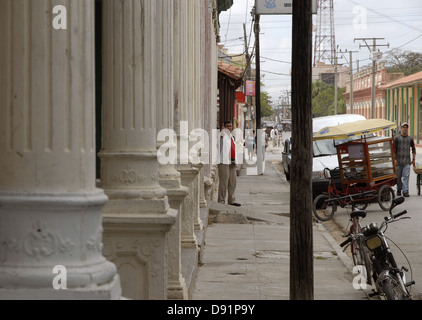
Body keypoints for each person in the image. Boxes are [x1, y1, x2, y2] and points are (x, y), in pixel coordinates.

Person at [218, 120, 241, 206]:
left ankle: (231, 200)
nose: (229, 128)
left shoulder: (231, 136)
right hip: (224, 162)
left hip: (232, 161)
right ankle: (221, 201)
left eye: (230, 126)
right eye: (227, 126)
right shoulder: (221, 135)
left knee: (232, 182)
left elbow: (233, 149)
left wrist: (235, 161)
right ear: (224, 126)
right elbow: (221, 140)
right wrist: (223, 130)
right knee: (224, 182)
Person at [394, 122, 416, 197]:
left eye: (406, 127)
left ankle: (405, 191)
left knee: (406, 176)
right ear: (401, 128)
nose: (405, 129)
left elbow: (413, 149)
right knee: (398, 177)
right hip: (398, 161)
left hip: (407, 161)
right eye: (403, 127)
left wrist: (413, 159)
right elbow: (394, 150)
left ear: (407, 129)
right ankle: (399, 189)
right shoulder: (397, 138)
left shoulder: (410, 139)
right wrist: (395, 159)